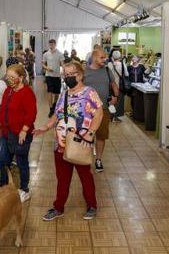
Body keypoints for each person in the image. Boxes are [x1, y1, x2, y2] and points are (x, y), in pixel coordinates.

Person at [34, 61, 102, 221]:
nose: (68, 77)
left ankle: (92, 205)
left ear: (80, 75)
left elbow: (99, 114)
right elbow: (56, 115)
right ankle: (58, 207)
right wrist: (45, 127)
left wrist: (90, 133)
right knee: (62, 179)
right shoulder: (64, 94)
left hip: (81, 142)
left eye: (71, 74)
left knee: (85, 176)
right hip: (62, 143)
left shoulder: (89, 92)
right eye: (66, 74)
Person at [0, 64, 37, 203]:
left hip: (20, 134)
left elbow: (31, 113)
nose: (9, 79)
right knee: (3, 161)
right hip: (7, 133)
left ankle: (24, 189)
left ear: (21, 78)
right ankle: (3, 187)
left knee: (21, 162)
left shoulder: (27, 92)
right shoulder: (8, 90)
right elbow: (2, 110)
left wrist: (24, 130)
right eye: (7, 76)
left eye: (12, 77)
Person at [84, 49, 119, 172]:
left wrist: (115, 96)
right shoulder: (84, 71)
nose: (105, 59)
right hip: (86, 110)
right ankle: (85, 159)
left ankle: (98, 159)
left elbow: (113, 84)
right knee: (86, 135)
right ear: (94, 58)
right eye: (102, 57)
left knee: (101, 136)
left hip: (103, 109)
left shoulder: (107, 70)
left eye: (105, 57)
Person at [42, 39, 65, 117]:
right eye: (50, 44)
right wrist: (46, 68)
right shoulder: (46, 54)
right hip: (49, 76)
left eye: (52, 44)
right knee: (49, 92)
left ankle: (55, 105)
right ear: (49, 45)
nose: (51, 45)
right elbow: (43, 63)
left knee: (56, 93)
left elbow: (62, 64)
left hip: (57, 76)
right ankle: (51, 108)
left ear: (55, 44)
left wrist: (64, 72)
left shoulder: (60, 54)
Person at [107, 50, 128, 121]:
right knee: (118, 102)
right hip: (119, 86)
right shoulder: (122, 64)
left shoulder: (108, 64)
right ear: (119, 56)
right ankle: (115, 117)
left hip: (109, 86)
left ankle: (110, 116)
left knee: (111, 101)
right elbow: (126, 74)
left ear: (112, 56)